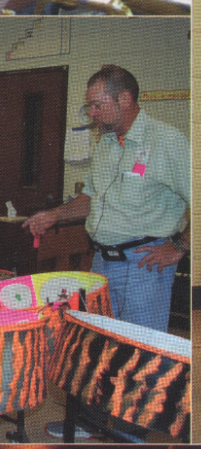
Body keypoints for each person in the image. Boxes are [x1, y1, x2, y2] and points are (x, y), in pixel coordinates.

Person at [23, 65, 190, 441]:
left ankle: (131, 434)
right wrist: (55, 215)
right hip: (101, 264)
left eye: (97, 106)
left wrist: (179, 246)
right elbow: (91, 197)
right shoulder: (106, 144)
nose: (92, 115)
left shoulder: (167, 142)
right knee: (97, 349)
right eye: (90, 107)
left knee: (141, 355)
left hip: (144, 266)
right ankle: (91, 422)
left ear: (125, 100)